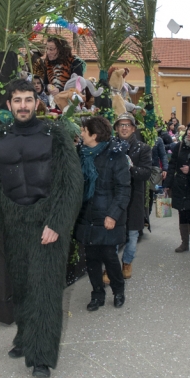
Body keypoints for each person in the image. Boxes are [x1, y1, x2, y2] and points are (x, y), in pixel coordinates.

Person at [0, 79, 83, 378]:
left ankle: (42, 357)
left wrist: (57, 223)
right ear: (9, 104)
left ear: (37, 102)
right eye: (17, 100)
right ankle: (25, 338)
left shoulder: (56, 134)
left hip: (47, 221)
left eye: (28, 99)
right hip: (14, 222)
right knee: (22, 285)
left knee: (45, 288)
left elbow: (71, 184)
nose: (23, 105)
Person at [74, 115, 131, 312]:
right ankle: (97, 294)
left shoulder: (116, 156)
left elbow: (124, 188)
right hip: (87, 214)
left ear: (95, 135)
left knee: (109, 256)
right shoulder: (81, 153)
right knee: (91, 258)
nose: (81, 133)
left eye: (84, 130)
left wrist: (113, 215)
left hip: (107, 216)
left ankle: (118, 291)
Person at [113, 113, 152, 278]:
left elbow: (146, 173)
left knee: (133, 233)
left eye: (127, 125)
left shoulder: (143, 148)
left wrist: (130, 167)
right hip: (115, 197)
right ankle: (111, 266)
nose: (124, 128)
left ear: (133, 129)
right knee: (113, 233)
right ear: (116, 128)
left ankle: (127, 263)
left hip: (134, 197)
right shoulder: (110, 146)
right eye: (121, 125)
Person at [163, 122, 190, 253]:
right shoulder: (179, 146)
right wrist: (167, 184)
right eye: (189, 129)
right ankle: (184, 242)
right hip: (179, 184)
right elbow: (172, 165)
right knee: (182, 213)